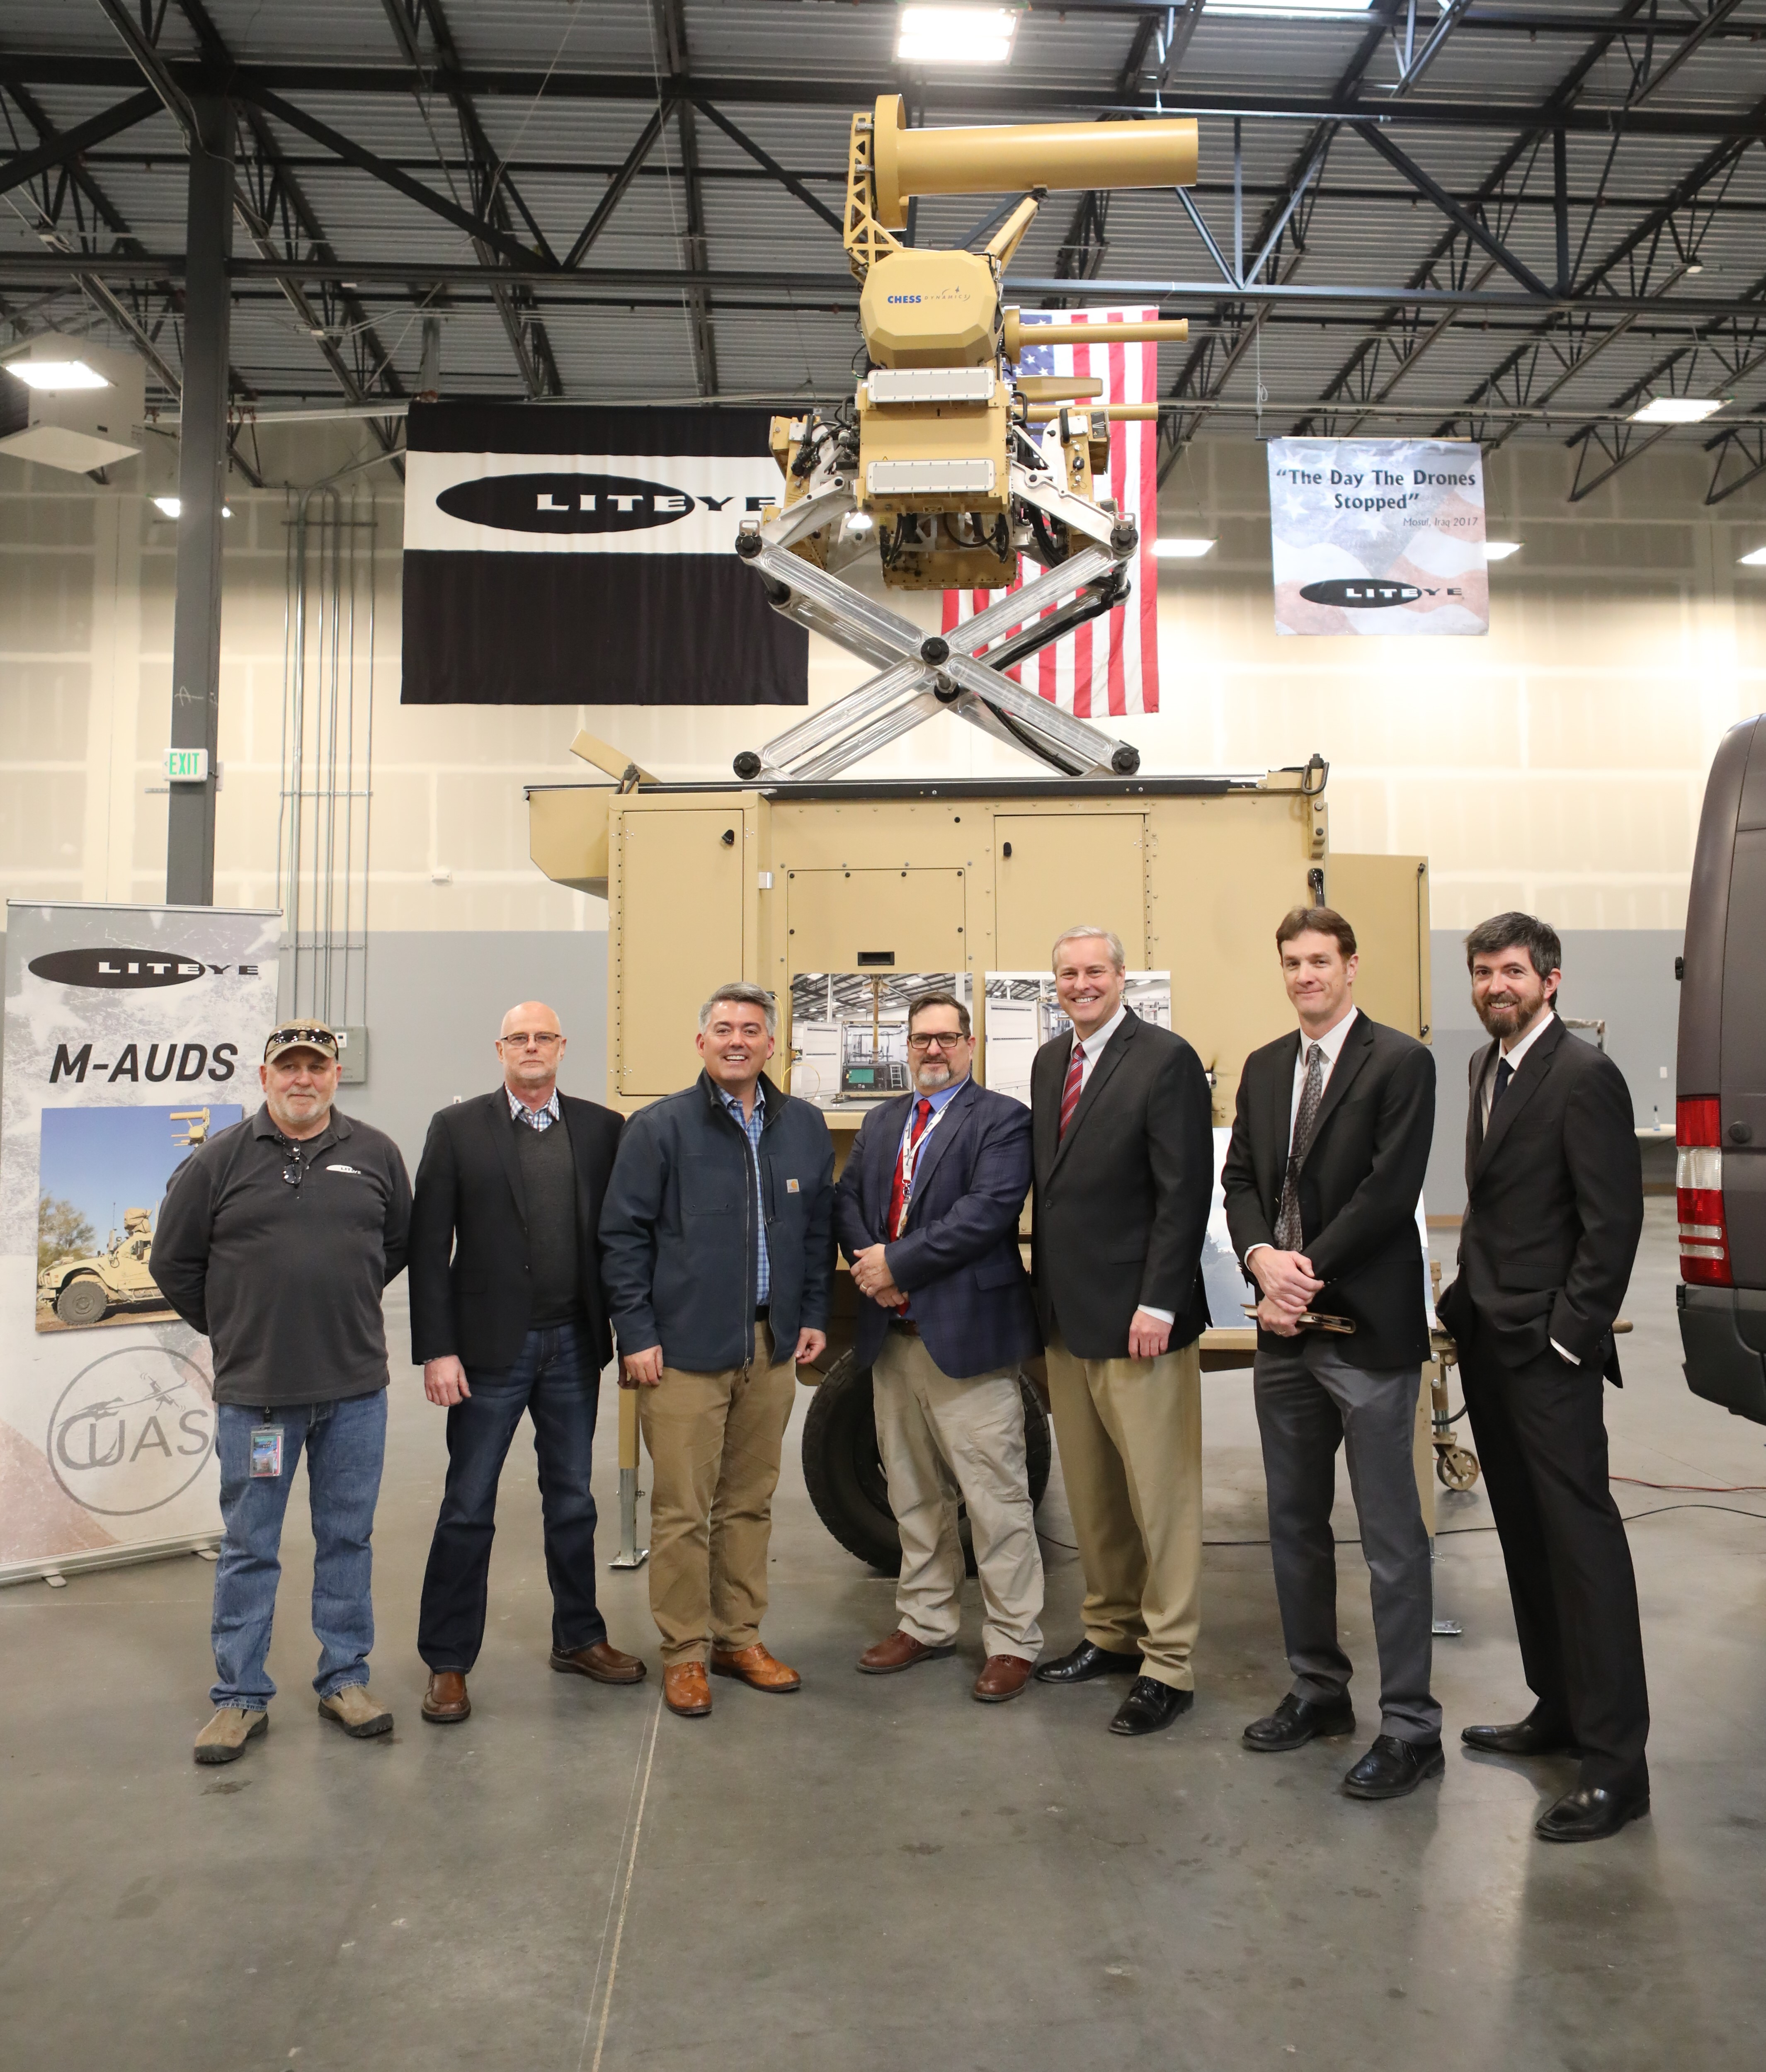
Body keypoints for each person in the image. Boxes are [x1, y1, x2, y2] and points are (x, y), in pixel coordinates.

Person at [1436, 913, 1648, 1844]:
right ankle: (1556, 1709)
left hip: (1549, 1355)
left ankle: (1616, 1766)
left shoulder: (1585, 1076)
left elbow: (1613, 1226)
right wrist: (1461, 1298)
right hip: (1491, 1340)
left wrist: (1571, 1336)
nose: (1496, 985)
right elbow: (1497, 1206)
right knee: (1524, 1538)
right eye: (1484, 971)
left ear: (1551, 980)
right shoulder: (1487, 1067)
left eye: (1513, 971)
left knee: (1582, 1548)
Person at [1222, 907, 1442, 1800]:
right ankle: (1319, 1692)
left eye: (1320, 960)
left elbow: (1392, 1188)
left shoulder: (1400, 1063)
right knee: (1295, 1527)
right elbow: (1239, 1179)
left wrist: (1303, 1271)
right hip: (1286, 1335)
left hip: (1368, 1336)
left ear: (1352, 966)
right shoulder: (1269, 1066)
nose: (1306, 974)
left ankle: (1411, 1725)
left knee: (1391, 1538)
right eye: (1292, 962)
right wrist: (1260, 1260)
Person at [151, 1020, 411, 1765]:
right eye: (288, 1068)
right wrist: (237, 1329)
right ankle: (238, 1699)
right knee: (250, 1546)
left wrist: (339, 1303)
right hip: (258, 1399)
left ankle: (345, 1680)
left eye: (317, 1067)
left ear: (336, 1076)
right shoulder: (219, 1161)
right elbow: (174, 1262)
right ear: (264, 1078)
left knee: (347, 1539)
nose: (303, 1079)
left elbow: (394, 1246)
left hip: (356, 1392)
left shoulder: (375, 1154)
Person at [599, 983, 835, 1720]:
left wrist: (815, 1315)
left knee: (749, 1506)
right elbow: (622, 1239)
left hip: (771, 1349)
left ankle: (739, 1639)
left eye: (752, 1030)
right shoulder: (658, 1128)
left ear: (773, 1046)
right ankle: (685, 1653)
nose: (738, 1040)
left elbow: (816, 1234)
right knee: (682, 1512)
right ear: (701, 1043)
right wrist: (636, 1335)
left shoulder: (803, 1127)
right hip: (681, 1357)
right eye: (724, 1028)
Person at [407, 1000, 643, 1726]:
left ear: (563, 1048)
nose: (532, 1047)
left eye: (544, 1037)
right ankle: (448, 1663)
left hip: (574, 1343)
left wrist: (629, 1332)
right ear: (500, 1048)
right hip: (486, 1354)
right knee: (468, 1506)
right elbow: (427, 1248)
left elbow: (622, 1238)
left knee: (573, 1500)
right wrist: (438, 1349)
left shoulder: (604, 1130)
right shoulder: (457, 1129)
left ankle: (579, 1638)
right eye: (519, 1037)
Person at [1029, 926, 1214, 1735]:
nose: (1080, 984)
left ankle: (1168, 1661)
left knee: (1160, 1494)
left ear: (1122, 977)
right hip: (1069, 1314)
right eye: (1067, 974)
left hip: (1140, 1316)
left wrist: (1161, 1302)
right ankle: (1109, 1632)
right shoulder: (1047, 1063)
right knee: (1095, 1491)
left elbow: (1185, 1192)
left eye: (1094, 971)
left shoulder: (1165, 1059)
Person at [834, 990, 1043, 1703]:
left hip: (967, 1337)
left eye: (947, 1038)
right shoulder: (883, 1120)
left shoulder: (1004, 1121)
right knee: (914, 1494)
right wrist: (874, 1267)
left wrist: (898, 1264)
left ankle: (1014, 1639)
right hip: (892, 1339)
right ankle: (925, 1622)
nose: (933, 1050)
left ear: (969, 1045)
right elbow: (849, 1203)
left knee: (995, 1495)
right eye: (921, 1039)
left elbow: (986, 1214)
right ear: (906, 1047)